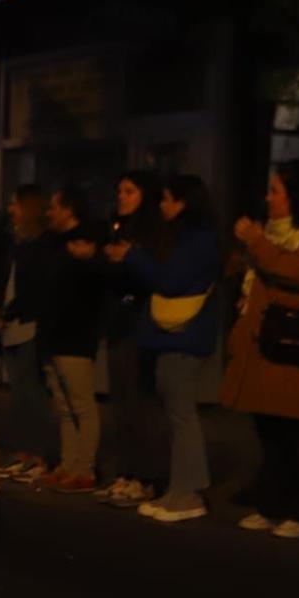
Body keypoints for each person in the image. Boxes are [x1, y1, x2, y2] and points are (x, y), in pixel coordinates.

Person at [221, 168, 299, 537]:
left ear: (295, 196)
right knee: (272, 430)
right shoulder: (267, 235)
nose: (268, 198)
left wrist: (257, 244)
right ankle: (275, 503)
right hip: (268, 345)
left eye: (275, 191)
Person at [109, 175, 221, 523]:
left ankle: (187, 493)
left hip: (183, 335)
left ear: (185, 203)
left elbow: (170, 280)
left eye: (169, 199)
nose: (162, 205)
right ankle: (181, 488)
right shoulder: (184, 236)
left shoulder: (196, 238)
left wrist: (134, 257)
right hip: (174, 335)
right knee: (176, 413)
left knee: (181, 414)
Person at [95, 169, 168, 507]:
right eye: (119, 190)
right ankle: (127, 471)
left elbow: (149, 277)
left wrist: (126, 261)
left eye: (130, 191)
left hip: (140, 320)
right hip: (118, 321)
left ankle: (148, 475)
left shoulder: (152, 233)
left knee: (140, 399)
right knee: (120, 399)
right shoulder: (116, 229)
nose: (121, 197)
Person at [37, 189, 105, 492]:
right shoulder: (56, 244)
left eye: (54, 207)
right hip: (54, 335)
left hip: (75, 335)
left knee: (81, 405)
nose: (49, 213)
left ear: (68, 209)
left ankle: (85, 468)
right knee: (64, 406)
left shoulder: (84, 243)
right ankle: (69, 464)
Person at [0, 184, 61, 475]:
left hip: (28, 324)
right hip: (11, 325)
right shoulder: (17, 243)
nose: (11, 210)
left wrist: (11, 310)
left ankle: (42, 454)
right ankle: (26, 451)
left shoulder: (42, 245)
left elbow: (36, 289)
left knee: (32, 393)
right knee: (19, 395)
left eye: (15, 205)